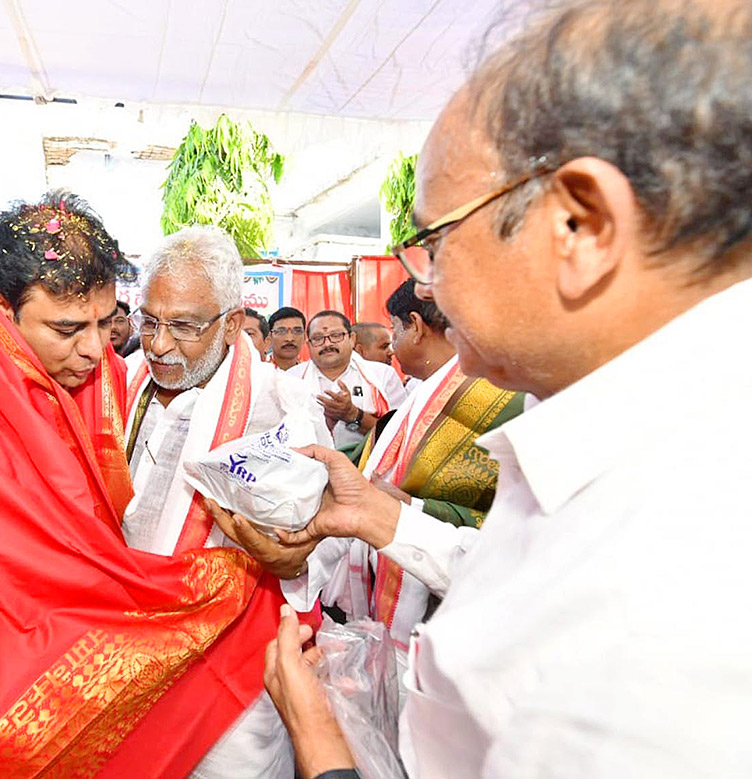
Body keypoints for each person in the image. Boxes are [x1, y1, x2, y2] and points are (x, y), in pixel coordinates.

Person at [268, 0, 752, 775]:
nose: (423, 281)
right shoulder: (607, 424)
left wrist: (321, 747)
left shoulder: (679, 601)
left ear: (581, 228)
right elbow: (522, 579)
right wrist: (384, 517)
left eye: (435, 239)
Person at [0, 192, 288, 778]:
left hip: (105, 643)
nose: (97, 348)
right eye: (68, 328)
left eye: (108, 322)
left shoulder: (109, 378)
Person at [124, 226, 333, 779]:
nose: (160, 344)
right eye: (148, 320)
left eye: (185, 326)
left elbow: (328, 535)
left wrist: (296, 556)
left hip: (231, 669)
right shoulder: (118, 385)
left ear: (233, 323)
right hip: (123, 649)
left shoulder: (281, 406)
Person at [304, 279, 523, 682]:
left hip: (452, 611)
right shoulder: (426, 391)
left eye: (395, 331)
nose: (392, 346)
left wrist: (409, 507)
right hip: (404, 581)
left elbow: (503, 517)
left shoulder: (494, 395)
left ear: (416, 327)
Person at [287, 311, 406, 450]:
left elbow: (400, 435)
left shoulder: (382, 375)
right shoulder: (290, 379)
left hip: (366, 466)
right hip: (309, 467)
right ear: (308, 345)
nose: (327, 344)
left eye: (336, 336)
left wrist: (353, 414)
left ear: (352, 339)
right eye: (318, 338)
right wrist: (322, 426)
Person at [266, 307, 306, 371]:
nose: (289, 339)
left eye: (297, 331)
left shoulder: (309, 373)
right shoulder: (258, 371)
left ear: (305, 337)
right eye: (281, 331)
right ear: (270, 337)